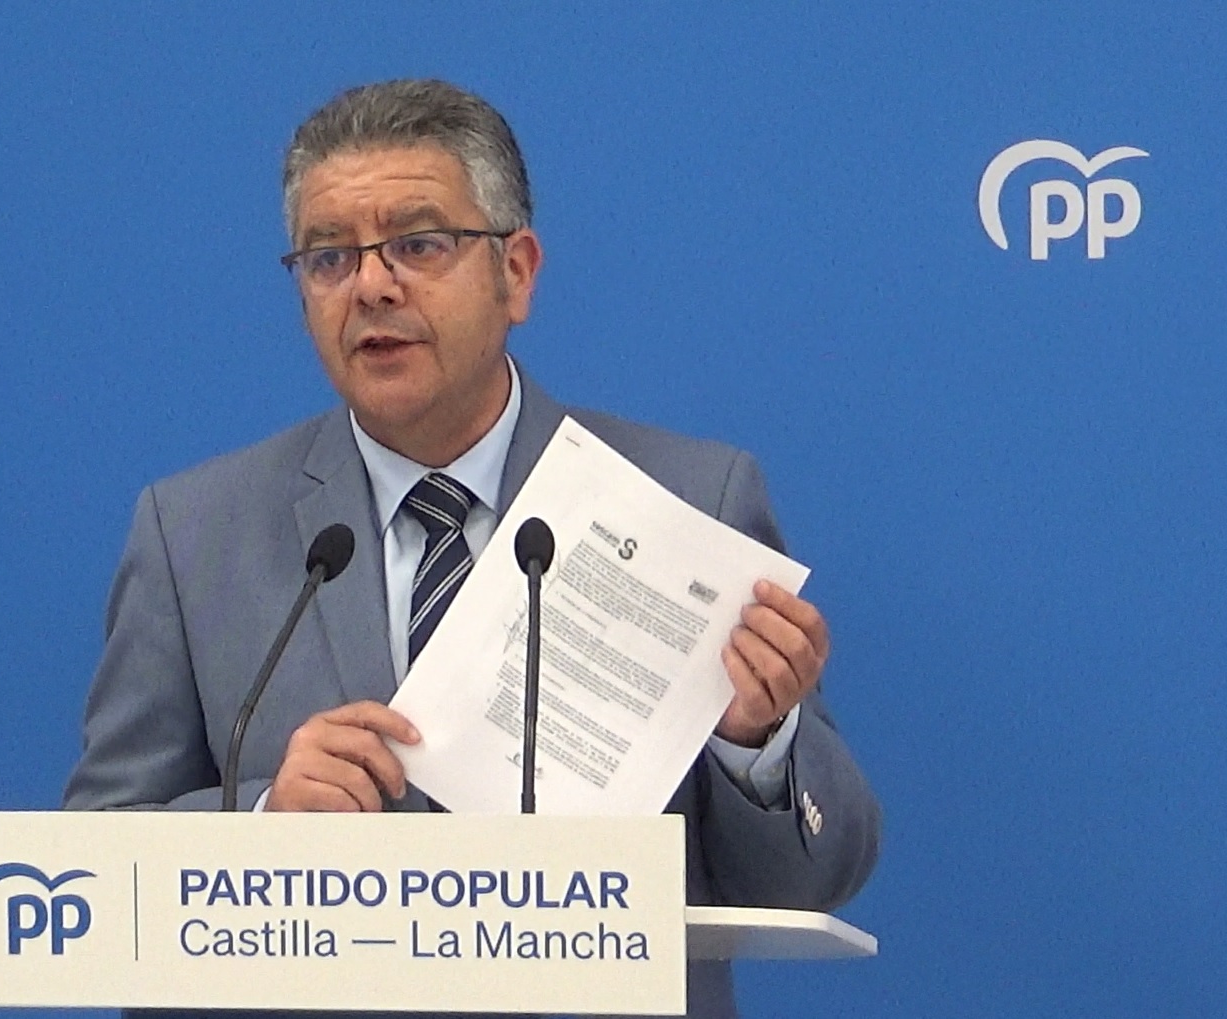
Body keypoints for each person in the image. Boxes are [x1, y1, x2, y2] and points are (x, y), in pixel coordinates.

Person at [64, 78, 879, 1019]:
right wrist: (261, 820)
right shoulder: (193, 530)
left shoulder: (689, 500)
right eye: (329, 257)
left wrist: (755, 743)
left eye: (417, 244)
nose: (371, 285)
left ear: (516, 273)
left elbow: (815, 877)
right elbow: (91, 863)